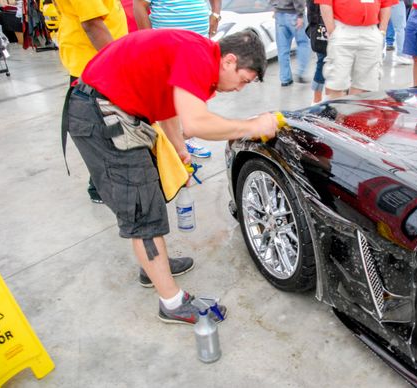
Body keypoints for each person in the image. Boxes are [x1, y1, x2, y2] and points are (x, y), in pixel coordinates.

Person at [62, 29, 279, 324]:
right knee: (141, 208)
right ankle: (172, 303)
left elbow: (171, 108)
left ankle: (154, 266)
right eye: (244, 80)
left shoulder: (196, 53)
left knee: (146, 193)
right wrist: (252, 126)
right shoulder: (198, 55)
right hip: (99, 114)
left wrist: (179, 149)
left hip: (113, 109)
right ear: (229, 61)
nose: (240, 88)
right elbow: (197, 121)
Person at [55, 0, 128, 204]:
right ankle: (100, 187)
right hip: (96, 68)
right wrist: (121, 67)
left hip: (98, 64)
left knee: (112, 128)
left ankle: (104, 184)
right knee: (105, 131)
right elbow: (92, 24)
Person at [133, 0, 222, 159]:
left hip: (198, 43)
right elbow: (139, 5)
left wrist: (215, 14)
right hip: (169, 46)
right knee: (169, 97)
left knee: (194, 92)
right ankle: (175, 145)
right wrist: (148, 42)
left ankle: (187, 137)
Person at [315, 0, 397, 99]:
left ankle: (353, 113)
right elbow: (325, 3)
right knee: (337, 82)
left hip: (370, 31)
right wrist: (332, 30)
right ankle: (338, 113)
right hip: (343, 29)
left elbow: (386, 3)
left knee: (365, 85)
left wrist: (382, 30)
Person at [270, 0, 310, 87]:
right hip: (293, 13)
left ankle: (285, 78)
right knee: (303, 43)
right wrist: (300, 15)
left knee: (282, 48)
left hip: (279, 14)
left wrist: (274, 6)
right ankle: (300, 73)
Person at [306, 0, 327, 103]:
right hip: (322, 28)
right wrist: (315, 24)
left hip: (324, 26)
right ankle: (317, 99)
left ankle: (322, 99)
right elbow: (311, 9)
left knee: (323, 64)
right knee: (322, 63)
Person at [385, 0, 412, 65]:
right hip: (395, 2)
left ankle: (377, 53)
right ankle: (402, 55)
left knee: (381, 25)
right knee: (400, 28)